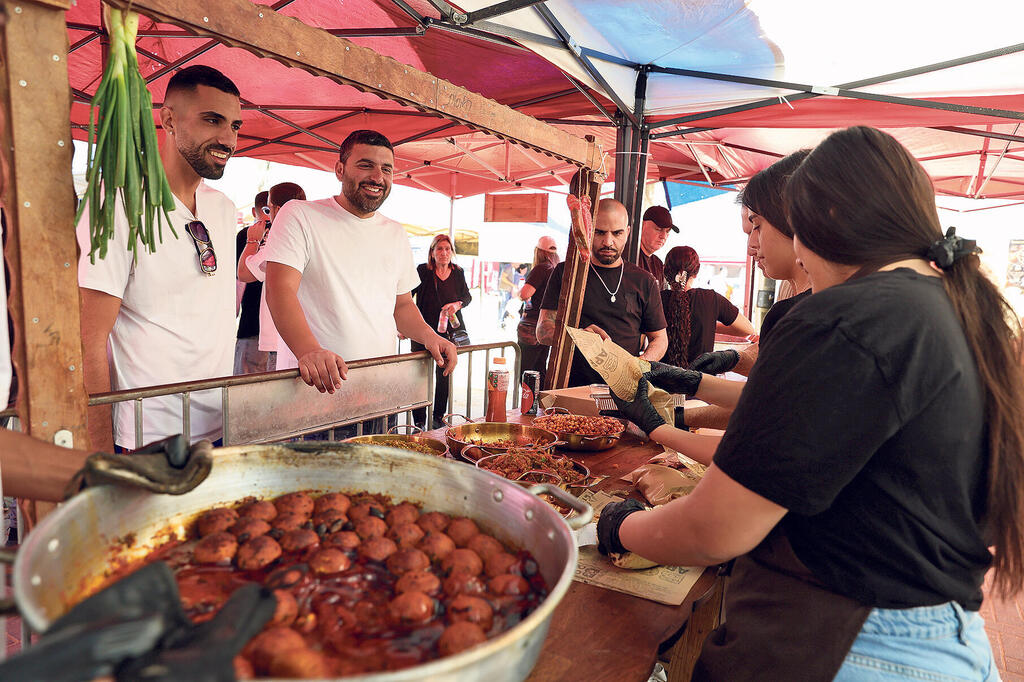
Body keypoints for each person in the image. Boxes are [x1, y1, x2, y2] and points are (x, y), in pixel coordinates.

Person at [599, 126, 1024, 680]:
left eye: (793, 229)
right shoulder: (949, 305)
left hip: (855, 644)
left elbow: (714, 529)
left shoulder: (849, 318)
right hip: (937, 637)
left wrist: (620, 526)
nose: (796, 250)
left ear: (827, 217)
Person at [78, 65, 241, 451]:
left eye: (234, 125)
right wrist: (100, 451)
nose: (227, 138)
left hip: (220, 423)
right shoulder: (119, 202)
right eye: (212, 120)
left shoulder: (222, 207)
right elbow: (88, 338)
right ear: (168, 120)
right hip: (148, 436)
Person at [260, 129, 457, 404]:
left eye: (386, 169)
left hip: (378, 392)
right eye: (366, 165)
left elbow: (401, 305)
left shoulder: (395, 232)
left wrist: (429, 336)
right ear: (339, 170)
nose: (377, 177)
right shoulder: (300, 215)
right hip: (314, 393)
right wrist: (309, 350)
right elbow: (279, 290)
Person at [537, 199, 667, 386]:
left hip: (624, 389)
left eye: (617, 233)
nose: (608, 242)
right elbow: (542, 331)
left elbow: (660, 338)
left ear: (627, 232)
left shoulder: (644, 281)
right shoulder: (567, 273)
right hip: (570, 388)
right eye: (599, 232)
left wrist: (642, 364)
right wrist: (579, 337)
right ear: (589, 230)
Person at [237, 182, 306, 371]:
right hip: (308, 333)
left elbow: (244, 273)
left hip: (282, 335)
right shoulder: (313, 232)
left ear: (277, 210)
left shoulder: (282, 237)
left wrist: (253, 240)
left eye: (269, 209)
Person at [411, 234, 471, 429]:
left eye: (447, 249)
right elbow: (407, 295)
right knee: (419, 377)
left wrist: (457, 304)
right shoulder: (423, 271)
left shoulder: (458, 272)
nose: (444, 253)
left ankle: (438, 417)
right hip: (422, 331)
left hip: (447, 333)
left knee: (444, 374)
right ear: (432, 252)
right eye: (439, 249)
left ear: (451, 252)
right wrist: (403, 325)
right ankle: (419, 420)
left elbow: (467, 297)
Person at [661, 245, 753, 368]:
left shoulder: (656, 299)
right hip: (703, 378)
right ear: (696, 272)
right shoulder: (711, 298)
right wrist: (708, 325)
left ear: (665, 270)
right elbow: (747, 329)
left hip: (661, 377)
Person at [234, 191, 270, 374]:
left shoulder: (246, 236)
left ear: (254, 212)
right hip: (283, 330)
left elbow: (239, 280)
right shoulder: (290, 234)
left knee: (247, 383)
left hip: (252, 326)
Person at [517, 235, 560, 383]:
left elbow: (525, 294)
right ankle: (539, 398)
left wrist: (519, 292)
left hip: (531, 327)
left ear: (539, 252)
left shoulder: (541, 268)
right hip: (546, 326)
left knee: (526, 372)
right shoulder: (556, 268)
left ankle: (529, 398)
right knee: (540, 370)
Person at [638, 205, 678, 289]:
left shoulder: (658, 264)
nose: (663, 236)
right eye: (659, 229)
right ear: (642, 226)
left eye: (667, 231)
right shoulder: (629, 255)